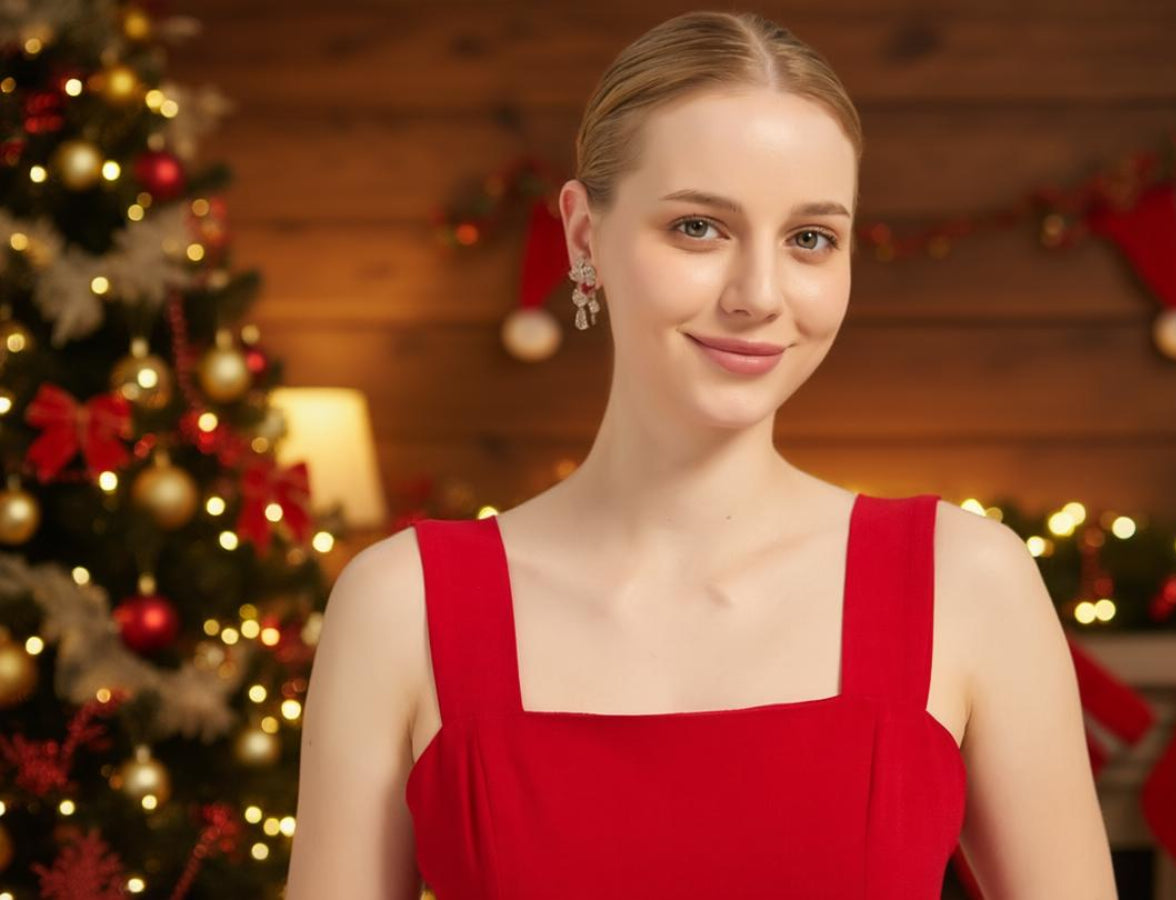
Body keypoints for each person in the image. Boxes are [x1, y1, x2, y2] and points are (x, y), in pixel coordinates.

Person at [286, 10, 1117, 899]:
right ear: (581, 236)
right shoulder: (399, 606)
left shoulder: (966, 581)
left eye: (809, 239)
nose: (759, 296)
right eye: (698, 228)